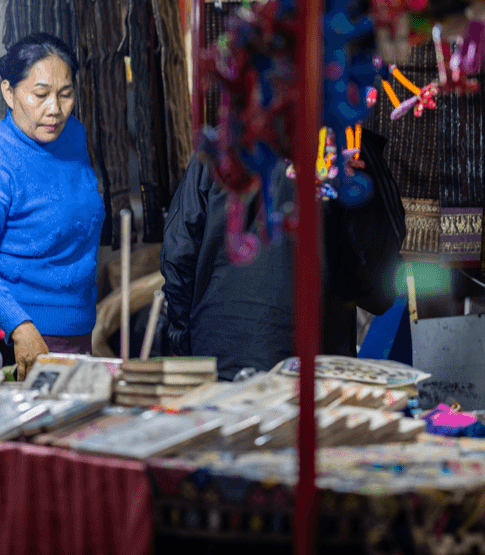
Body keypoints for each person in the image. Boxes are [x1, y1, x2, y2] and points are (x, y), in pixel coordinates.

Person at [160, 127, 405, 381]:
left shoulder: (223, 141)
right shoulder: (349, 151)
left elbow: (179, 252)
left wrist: (182, 343)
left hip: (219, 363)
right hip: (308, 375)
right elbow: (379, 289)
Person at [0, 32, 104, 378]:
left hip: (79, 333)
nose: (55, 109)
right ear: (9, 92)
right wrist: (20, 327)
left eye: (65, 95)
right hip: (18, 339)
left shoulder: (73, 136)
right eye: (41, 95)